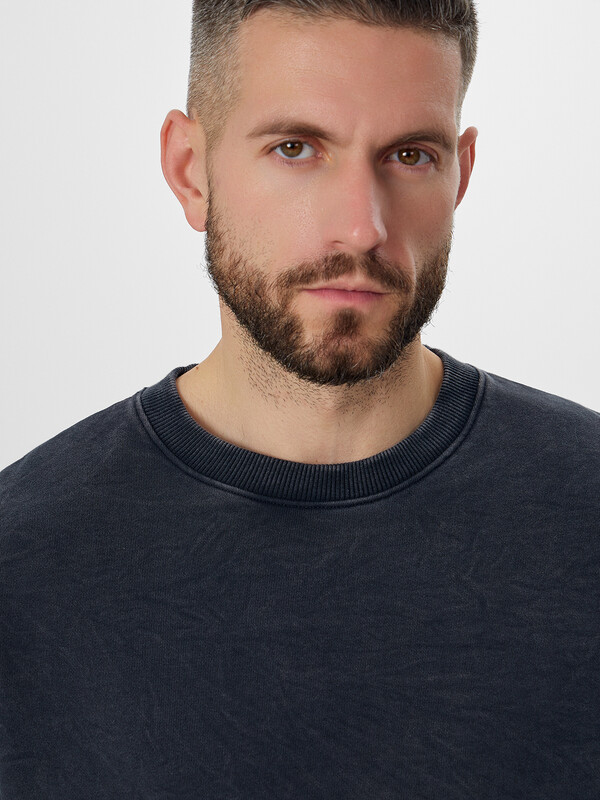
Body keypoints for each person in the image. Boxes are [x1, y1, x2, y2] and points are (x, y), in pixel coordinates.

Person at [1, 0, 598, 796]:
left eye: (410, 155)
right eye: (296, 148)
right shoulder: (23, 569)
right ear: (190, 169)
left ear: (461, 173)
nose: (361, 228)